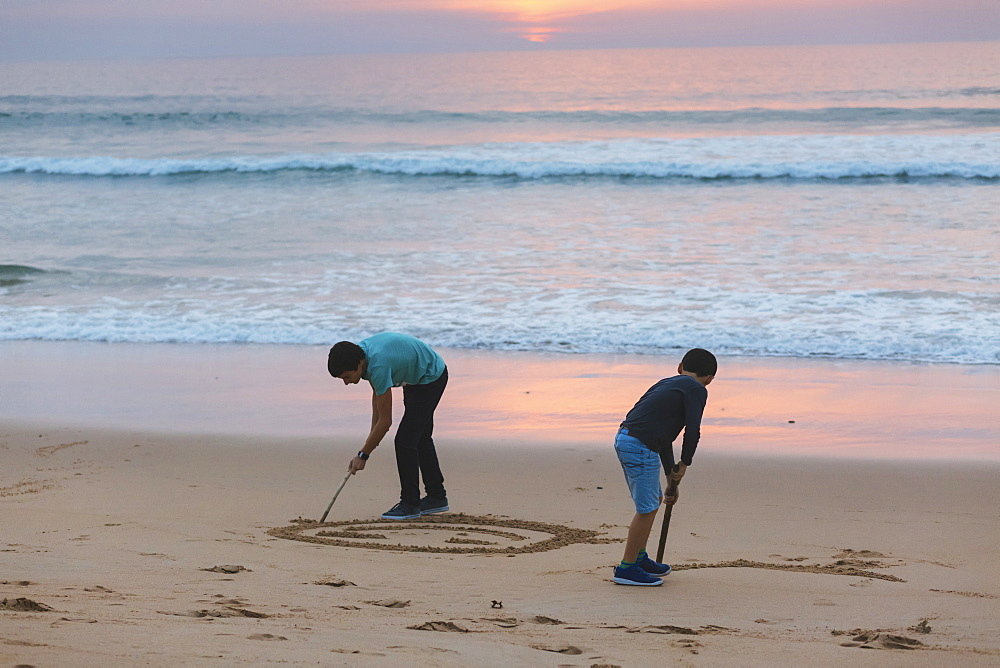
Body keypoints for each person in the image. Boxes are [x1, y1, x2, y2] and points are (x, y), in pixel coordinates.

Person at [612, 348, 717, 586]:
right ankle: (627, 569)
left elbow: (666, 437)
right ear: (710, 379)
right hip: (639, 444)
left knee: (654, 500)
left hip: (628, 438)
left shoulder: (668, 384)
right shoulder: (697, 389)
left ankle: (639, 557)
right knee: (647, 507)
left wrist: (672, 476)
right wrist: (686, 463)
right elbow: (692, 431)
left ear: (679, 368)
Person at [327, 332, 450, 520]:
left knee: (405, 441)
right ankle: (436, 497)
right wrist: (369, 442)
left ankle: (410, 504)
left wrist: (363, 455)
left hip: (431, 377)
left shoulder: (378, 365)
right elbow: (378, 405)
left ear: (359, 364)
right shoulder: (361, 356)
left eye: (347, 376)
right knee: (419, 437)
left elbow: (385, 421)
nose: (346, 382)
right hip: (415, 378)